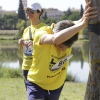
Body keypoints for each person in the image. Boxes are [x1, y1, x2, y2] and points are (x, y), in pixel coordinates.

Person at [26, 1, 98, 100]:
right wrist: (82, 25)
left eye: (67, 47)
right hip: (37, 84)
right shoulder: (41, 34)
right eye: (61, 46)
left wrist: (89, 5)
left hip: (56, 87)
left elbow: (83, 19)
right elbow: (56, 39)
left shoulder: (71, 29)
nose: (64, 49)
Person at [18, 2, 52, 89]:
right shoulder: (26, 30)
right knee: (31, 96)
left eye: (32, 11)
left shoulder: (45, 28)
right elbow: (23, 52)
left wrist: (36, 43)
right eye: (27, 11)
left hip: (39, 68)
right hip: (26, 67)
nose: (28, 13)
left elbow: (50, 47)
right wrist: (21, 43)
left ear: (39, 12)